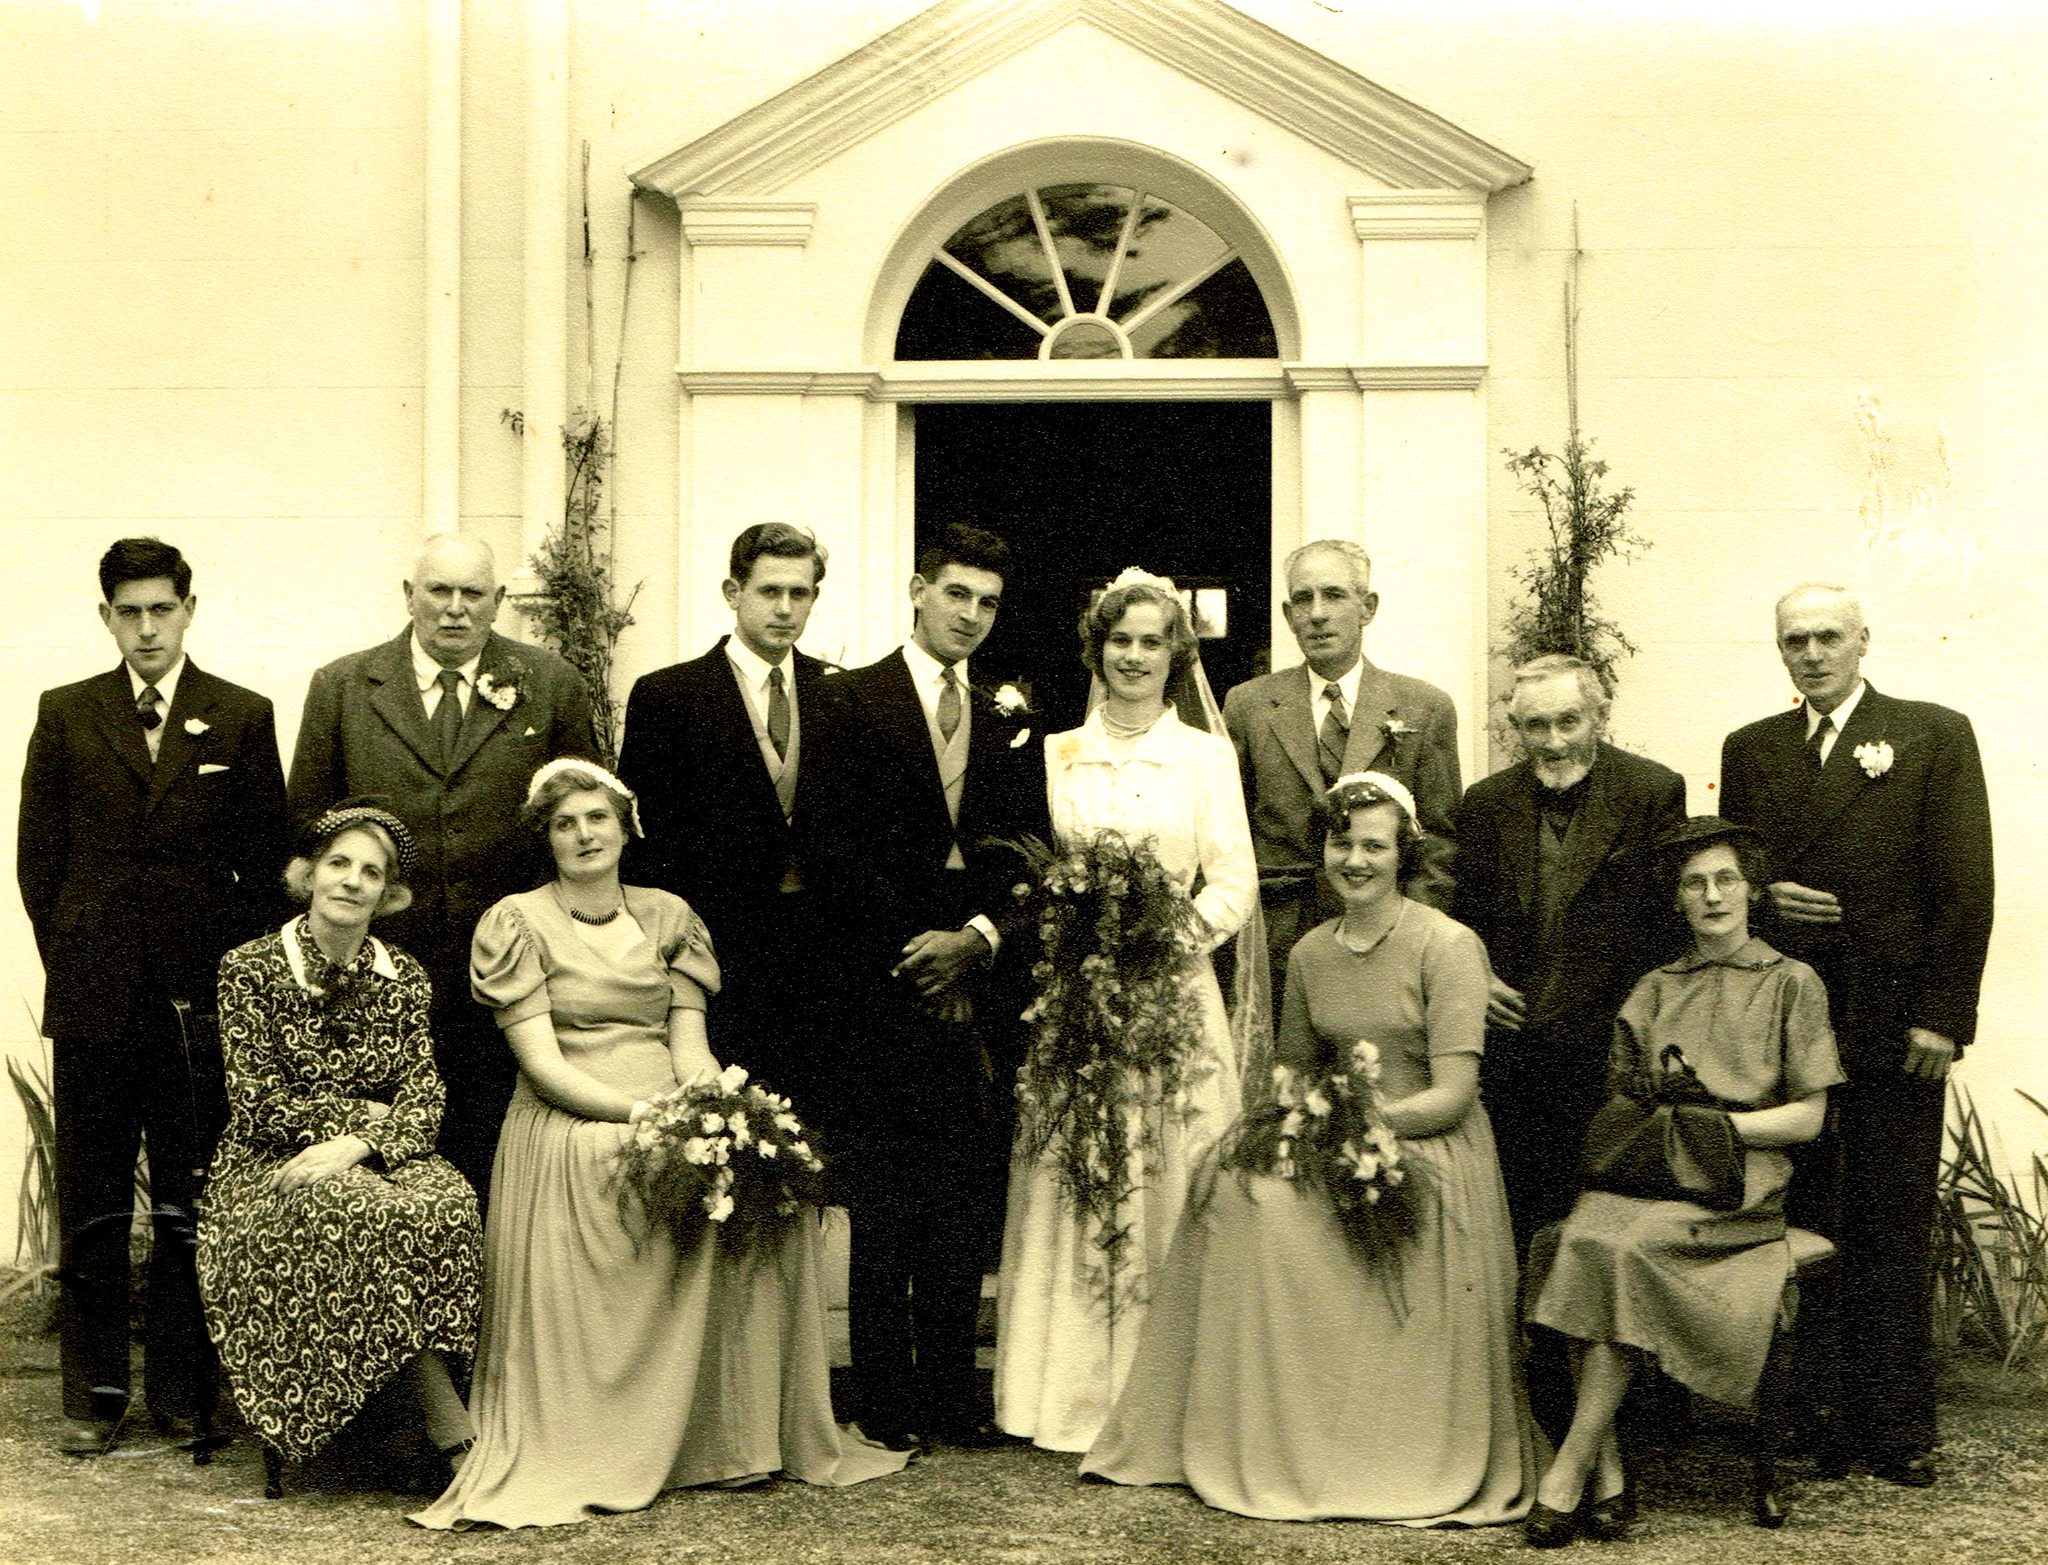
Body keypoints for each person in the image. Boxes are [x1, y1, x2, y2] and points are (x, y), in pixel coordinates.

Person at [413, 760, 903, 1530]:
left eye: (596, 819)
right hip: (569, 1114)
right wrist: (646, 1116)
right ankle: (609, 1433)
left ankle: (729, 1438)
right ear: (545, 836)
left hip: (667, 1096)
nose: (583, 835)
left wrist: (713, 1110)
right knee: (619, 1163)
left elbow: (690, 1044)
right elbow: (542, 1067)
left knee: (758, 1173)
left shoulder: (670, 914)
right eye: (565, 823)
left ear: (625, 826)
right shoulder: (516, 920)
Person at [1085, 771, 1539, 1524]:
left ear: (1404, 854)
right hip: (1337, 1133)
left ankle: (1374, 1444)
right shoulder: (1310, 951)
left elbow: (1453, 1094)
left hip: (1428, 1146)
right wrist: (1306, 1123)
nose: (1355, 860)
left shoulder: (1449, 944)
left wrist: (1359, 1126)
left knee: (1289, 1208)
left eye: (1374, 845)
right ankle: (1269, 1430)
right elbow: (1293, 1069)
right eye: (1341, 843)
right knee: (1231, 1189)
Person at [16, 537, 287, 1457]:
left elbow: (264, 866)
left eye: (159, 609)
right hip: (95, 1003)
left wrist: (216, 973)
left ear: (188, 609)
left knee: (188, 1199)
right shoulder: (66, 713)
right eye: (127, 611)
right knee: (93, 1199)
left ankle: (181, 1393)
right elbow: (36, 861)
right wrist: (86, 956)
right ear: (106, 617)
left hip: (193, 1004)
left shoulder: (241, 717)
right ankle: (96, 1397)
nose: (144, 627)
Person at [1718, 585, 1993, 1488]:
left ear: (1863, 640)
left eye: (1828, 636)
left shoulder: (1930, 733)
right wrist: (1765, 895)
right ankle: (1816, 1419)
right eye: (1793, 639)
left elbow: (1965, 885)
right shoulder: (1753, 747)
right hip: (1789, 1023)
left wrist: (1944, 1017)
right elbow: (1733, 870)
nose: (1811, 653)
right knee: (1807, 1215)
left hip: (1892, 1019)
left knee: (1890, 1220)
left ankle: (1898, 1425)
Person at [1523, 817, 1843, 1546]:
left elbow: (1808, 1117)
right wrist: (1661, 1119)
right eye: (1695, 883)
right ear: (1676, 899)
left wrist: (1718, 1130)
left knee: (1627, 1248)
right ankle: (1606, 1472)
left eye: (1726, 878)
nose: (1712, 894)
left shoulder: (1792, 982)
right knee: (1578, 1238)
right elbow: (1625, 1097)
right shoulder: (1656, 985)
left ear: (1753, 888)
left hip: (1738, 1182)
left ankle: (1570, 1467)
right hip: (1654, 1168)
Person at [995, 570, 1257, 1455]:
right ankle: (1066, 1396)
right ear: (1096, 650)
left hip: (1169, 996)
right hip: (1079, 994)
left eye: (1153, 642)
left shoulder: (1205, 756)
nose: (1135, 656)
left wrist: (1166, 937)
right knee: (1076, 1178)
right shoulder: (1057, 752)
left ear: (1176, 654)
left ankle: (1167, 1393)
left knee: (1168, 1172)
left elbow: (1234, 881)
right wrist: (1078, 925)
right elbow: (1033, 872)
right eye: (1121, 641)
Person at [810, 524, 1047, 1451]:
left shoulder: (1006, 713)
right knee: (885, 1199)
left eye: (988, 603)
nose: (972, 617)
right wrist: (918, 953)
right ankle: (885, 1395)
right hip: (881, 980)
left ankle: (954, 1392)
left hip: (978, 984)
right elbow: (829, 846)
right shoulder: (848, 699)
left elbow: (1032, 852)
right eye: (957, 595)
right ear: (918, 590)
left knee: (962, 1193)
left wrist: (979, 941)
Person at [287, 533, 598, 1204]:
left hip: (510, 969)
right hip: (379, 976)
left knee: (499, 1155)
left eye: (472, 594)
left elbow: (583, 825)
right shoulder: (342, 688)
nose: (454, 609)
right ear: (410, 596)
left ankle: (499, 1302)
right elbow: (307, 826)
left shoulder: (550, 685)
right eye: (439, 591)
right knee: (384, 1162)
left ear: (499, 601)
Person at [196, 802, 480, 1478]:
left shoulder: (404, 974)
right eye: (339, 864)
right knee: (371, 1211)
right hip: (269, 1162)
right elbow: (259, 1103)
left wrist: (359, 1144)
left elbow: (424, 1093)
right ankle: (451, 1432)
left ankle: (404, 1419)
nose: (353, 881)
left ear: (389, 892)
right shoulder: (249, 967)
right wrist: (351, 1133)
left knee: (450, 1204)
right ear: (308, 873)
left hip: (381, 1152)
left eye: (371, 871)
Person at [1450, 656, 1687, 1260]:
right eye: (1535, 727)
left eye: (1568, 722)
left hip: (1608, 1051)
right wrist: (1476, 977)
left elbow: (1666, 930)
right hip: (1513, 1048)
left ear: (1600, 717)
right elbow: (1465, 920)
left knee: (1597, 1222)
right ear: (1515, 729)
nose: (1552, 743)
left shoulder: (1652, 792)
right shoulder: (1484, 803)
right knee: (1517, 1217)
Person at [618, 523, 837, 1105]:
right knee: (720, 1127)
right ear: (732, 592)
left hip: (817, 959)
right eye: (769, 592)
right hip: (714, 952)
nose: (786, 609)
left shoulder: (837, 692)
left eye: (801, 593)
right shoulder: (668, 696)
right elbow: (645, 847)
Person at [1224, 539, 1460, 990]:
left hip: (1386, 929)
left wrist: (1412, 937)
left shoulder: (1424, 706)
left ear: (1367, 607)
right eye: (1302, 599)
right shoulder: (1248, 705)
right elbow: (1231, 834)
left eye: (1333, 595)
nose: (1316, 613)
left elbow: (1438, 842)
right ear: (1288, 615)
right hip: (1278, 937)